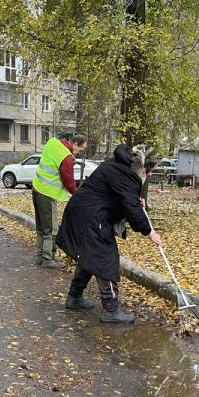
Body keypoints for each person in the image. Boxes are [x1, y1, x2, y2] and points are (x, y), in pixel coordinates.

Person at [55, 144, 163, 324]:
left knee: (90, 257)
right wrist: (150, 232)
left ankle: (74, 297)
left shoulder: (121, 165)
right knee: (105, 259)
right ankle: (111, 309)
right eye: (150, 170)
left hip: (84, 212)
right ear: (143, 165)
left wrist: (134, 200)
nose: (150, 174)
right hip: (91, 217)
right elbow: (131, 207)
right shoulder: (126, 174)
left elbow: (120, 197)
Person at [31, 134, 88, 268]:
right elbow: (69, 182)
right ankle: (48, 258)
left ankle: (39, 256)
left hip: (37, 189)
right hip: (47, 193)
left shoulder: (53, 143)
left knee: (41, 227)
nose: (79, 153)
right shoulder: (66, 158)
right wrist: (78, 195)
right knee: (51, 229)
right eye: (80, 150)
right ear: (75, 144)